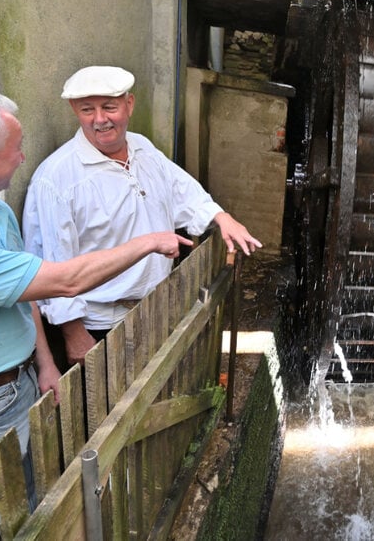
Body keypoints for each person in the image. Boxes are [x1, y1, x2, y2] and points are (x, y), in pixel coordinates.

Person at [0, 93, 192, 541]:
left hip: (13, 383)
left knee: (26, 506)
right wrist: (147, 242)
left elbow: (25, 290)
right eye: (17, 146)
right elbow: (61, 281)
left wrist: (43, 363)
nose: (24, 156)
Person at [23, 65, 261, 366]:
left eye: (109, 107)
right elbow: (52, 262)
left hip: (154, 308)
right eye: (87, 110)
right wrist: (73, 334)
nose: (100, 119)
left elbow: (181, 190)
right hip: (100, 325)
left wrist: (221, 216)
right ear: (74, 110)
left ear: (129, 104)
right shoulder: (56, 179)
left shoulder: (142, 148)